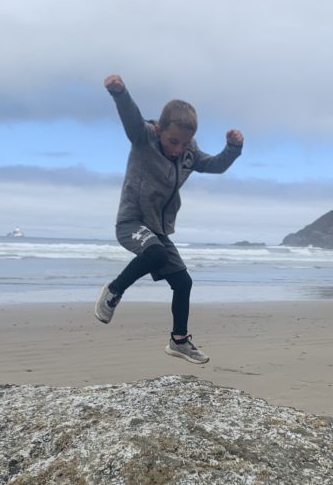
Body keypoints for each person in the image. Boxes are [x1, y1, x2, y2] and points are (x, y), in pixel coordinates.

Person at [95, 74, 244, 364]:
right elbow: (131, 118)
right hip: (132, 222)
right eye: (173, 141)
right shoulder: (144, 138)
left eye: (184, 144)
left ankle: (179, 341)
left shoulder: (187, 153)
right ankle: (113, 291)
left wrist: (233, 150)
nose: (177, 149)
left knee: (183, 282)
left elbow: (215, 166)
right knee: (155, 252)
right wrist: (120, 93)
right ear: (159, 129)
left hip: (158, 230)